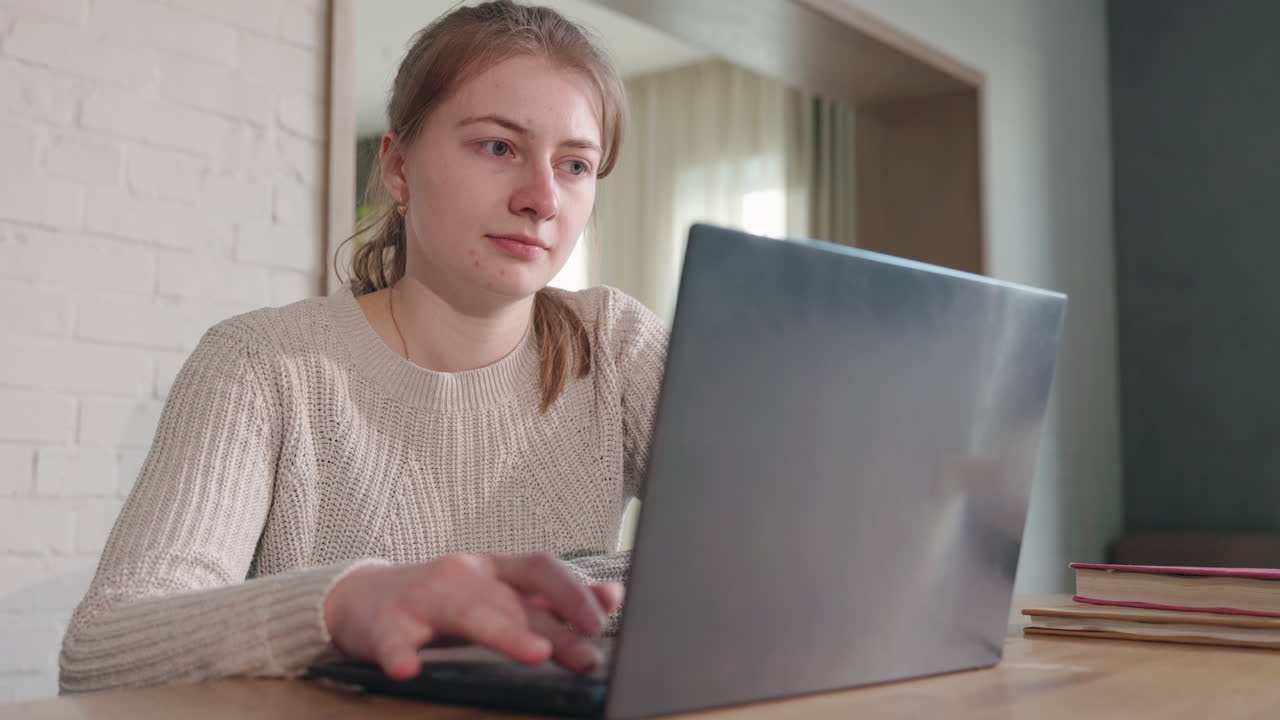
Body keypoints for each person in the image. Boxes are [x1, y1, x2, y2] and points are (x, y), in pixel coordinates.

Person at [58, 0, 666, 693]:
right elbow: (102, 646)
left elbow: (789, 554)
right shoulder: (260, 363)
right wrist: (342, 605)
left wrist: (575, 584)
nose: (542, 197)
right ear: (400, 167)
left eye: (575, 165)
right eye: (498, 146)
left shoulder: (617, 346)